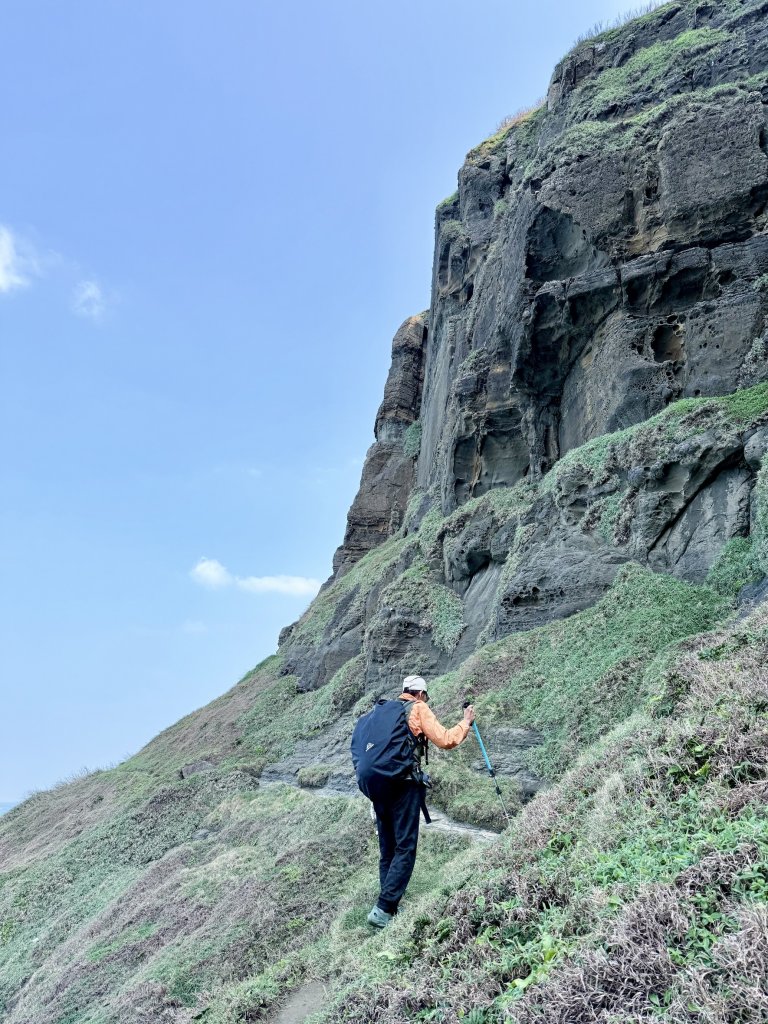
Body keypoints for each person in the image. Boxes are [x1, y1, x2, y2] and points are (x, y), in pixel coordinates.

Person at [366, 674, 474, 929]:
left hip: (378, 785)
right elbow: (446, 739)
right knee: (405, 847)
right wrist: (466, 722)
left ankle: (388, 906)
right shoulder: (418, 708)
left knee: (388, 849)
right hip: (403, 785)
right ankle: (383, 910)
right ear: (420, 694)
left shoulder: (380, 713)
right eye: (426, 696)